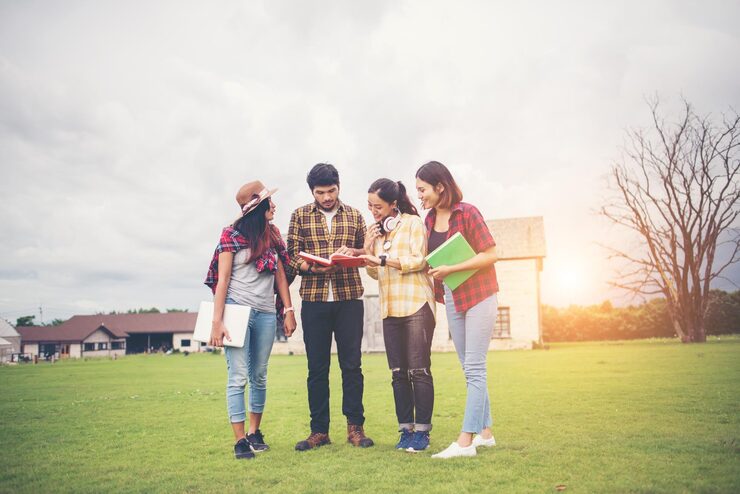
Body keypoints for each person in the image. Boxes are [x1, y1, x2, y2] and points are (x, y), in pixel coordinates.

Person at [205, 180, 297, 460]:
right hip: (237, 311)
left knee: (259, 376)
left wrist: (288, 311)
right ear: (258, 208)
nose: (275, 206)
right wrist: (216, 322)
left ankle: (255, 434)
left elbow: (280, 274)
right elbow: (223, 282)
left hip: (267, 313)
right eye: (270, 202)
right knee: (238, 377)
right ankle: (240, 440)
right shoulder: (231, 235)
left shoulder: (273, 234)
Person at [286, 163, 375, 451]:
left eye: (331, 191)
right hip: (314, 300)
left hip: (349, 298)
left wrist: (356, 252)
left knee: (352, 366)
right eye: (320, 192)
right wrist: (311, 268)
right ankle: (319, 432)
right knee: (317, 369)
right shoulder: (299, 216)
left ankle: (355, 428)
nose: (326, 197)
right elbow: (290, 257)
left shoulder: (355, 215)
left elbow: (369, 253)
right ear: (312, 191)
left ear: (339, 186)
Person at [415, 161, 500, 459]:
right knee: (469, 369)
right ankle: (486, 434)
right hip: (453, 297)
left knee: (475, 368)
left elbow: (491, 253)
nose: (420, 196)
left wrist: (454, 267)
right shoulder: (427, 220)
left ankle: (465, 442)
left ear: (440, 186)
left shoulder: (468, 212)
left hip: (480, 295)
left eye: (423, 189)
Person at [360, 178, 436, 453]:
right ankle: (406, 430)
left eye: (377, 206)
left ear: (393, 204)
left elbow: (419, 260)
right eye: (369, 205)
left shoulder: (414, 224)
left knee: (418, 370)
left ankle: (423, 433)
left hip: (416, 305)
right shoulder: (378, 233)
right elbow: (374, 272)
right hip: (390, 308)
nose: (373, 211)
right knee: (398, 374)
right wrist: (369, 249)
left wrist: (381, 258)